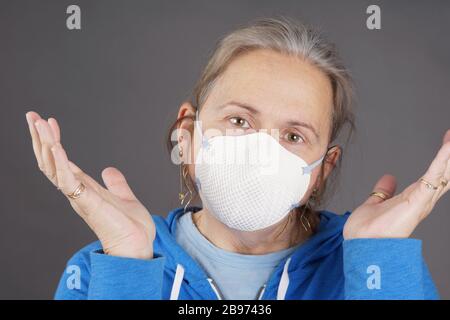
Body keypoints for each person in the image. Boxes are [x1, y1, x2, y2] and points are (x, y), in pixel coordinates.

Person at [25, 16, 449, 300]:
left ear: (322, 170)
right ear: (187, 134)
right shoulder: (101, 268)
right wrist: (128, 267)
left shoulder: (379, 266)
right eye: (240, 121)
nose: (261, 152)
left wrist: (378, 258)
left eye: (293, 135)